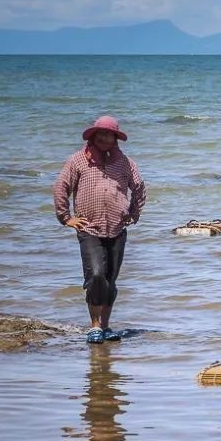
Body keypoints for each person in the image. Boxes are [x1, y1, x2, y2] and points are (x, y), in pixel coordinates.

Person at [53, 116, 147, 344]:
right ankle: (94, 326)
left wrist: (134, 213)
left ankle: (105, 326)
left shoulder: (125, 163)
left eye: (110, 134)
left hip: (116, 228)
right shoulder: (78, 161)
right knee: (96, 276)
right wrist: (66, 218)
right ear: (93, 136)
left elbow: (139, 188)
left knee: (110, 279)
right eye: (101, 134)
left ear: (116, 138)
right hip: (89, 228)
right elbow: (61, 187)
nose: (105, 138)